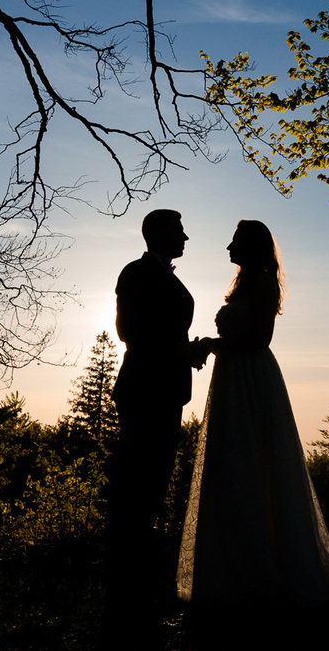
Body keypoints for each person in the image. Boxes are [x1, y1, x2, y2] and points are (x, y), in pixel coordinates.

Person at [176, 220, 329, 604]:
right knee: (231, 465)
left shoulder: (264, 282)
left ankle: (265, 566)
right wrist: (214, 347)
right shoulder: (244, 283)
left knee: (253, 463)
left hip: (252, 378)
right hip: (234, 377)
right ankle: (233, 562)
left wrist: (210, 344)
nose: (228, 247)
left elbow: (260, 338)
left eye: (234, 240)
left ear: (251, 246)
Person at [108, 209, 206, 592]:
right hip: (145, 389)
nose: (185, 238)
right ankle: (125, 573)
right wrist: (179, 353)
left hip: (166, 390)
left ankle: (136, 572)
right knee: (137, 481)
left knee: (153, 481)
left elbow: (161, 331)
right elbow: (129, 330)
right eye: (180, 231)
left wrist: (186, 351)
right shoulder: (136, 273)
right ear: (160, 234)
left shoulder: (162, 274)